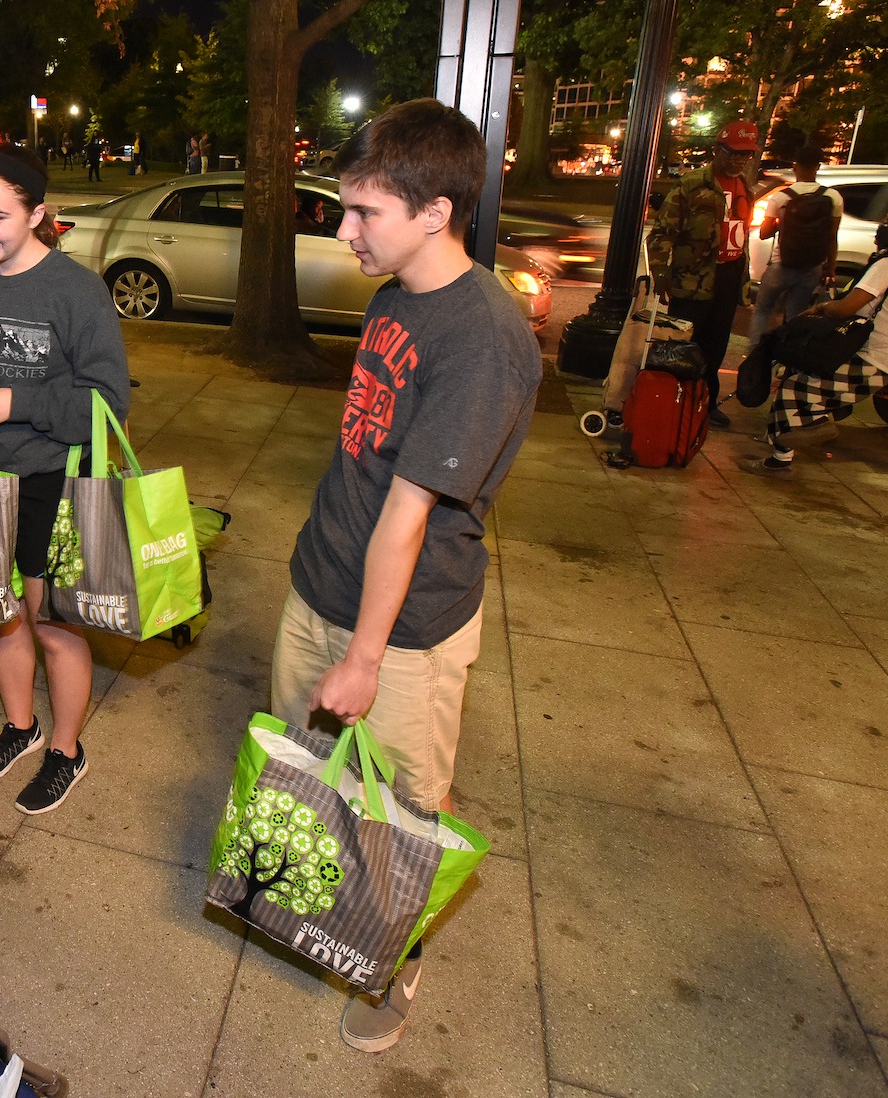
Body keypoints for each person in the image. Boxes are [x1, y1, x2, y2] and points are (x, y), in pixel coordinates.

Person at [270, 99, 541, 1054]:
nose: (343, 230)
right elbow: (363, 456)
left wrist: (365, 657)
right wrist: (312, 586)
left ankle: (397, 959)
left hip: (404, 631)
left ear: (436, 212)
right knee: (316, 781)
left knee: (404, 815)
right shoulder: (394, 296)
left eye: (364, 214)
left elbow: (411, 512)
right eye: (344, 209)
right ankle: (329, 912)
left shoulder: (484, 339)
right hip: (323, 583)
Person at [0, 144, 131, 815]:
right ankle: (22, 729)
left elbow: (108, 403)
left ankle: (66, 751)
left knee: (52, 623)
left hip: (53, 476)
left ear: (37, 214)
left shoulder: (76, 291)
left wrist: (19, 405)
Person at [740, 202, 888, 477]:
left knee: (795, 386)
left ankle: (792, 448)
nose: (881, 228)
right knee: (812, 377)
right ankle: (806, 427)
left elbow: (845, 308)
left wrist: (819, 309)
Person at [649, 120, 758, 428]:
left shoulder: (746, 189)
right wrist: (660, 272)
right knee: (684, 344)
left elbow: (742, 236)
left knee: (717, 343)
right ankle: (675, 400)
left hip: (728, 276)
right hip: (692, 279)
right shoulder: (692, 184)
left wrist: (744, 281)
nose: (739, 160)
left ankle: (705, 402)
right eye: (734, 153)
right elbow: (662, 233)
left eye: (746, 155)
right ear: (718, 151)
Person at [748, 146, 840, 345]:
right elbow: (832, 237)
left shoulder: (781, 197)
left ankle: (755, 353)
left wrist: (782, 223)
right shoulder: (833, 197)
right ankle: (785, 358)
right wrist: (830, 267)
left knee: (763, 309)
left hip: (781, 264)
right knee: (795, 314)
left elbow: (764, 234)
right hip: (812, 267)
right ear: (818, 166)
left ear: (795, 167)